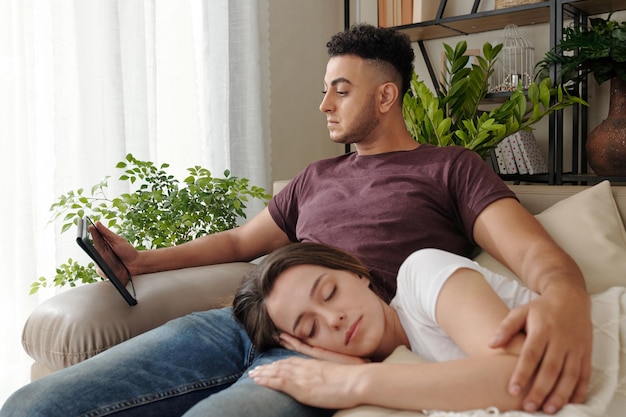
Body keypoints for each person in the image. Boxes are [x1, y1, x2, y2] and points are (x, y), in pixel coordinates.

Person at [1, 23, 591, 417]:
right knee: (31, 406)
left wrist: (566, 299)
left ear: (386, 97)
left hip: (323, 346)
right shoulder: (316, 176)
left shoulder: (449, 168)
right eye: (324, 90)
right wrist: (141, 261)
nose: (324, 104)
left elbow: (534, 255)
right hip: (231, 323)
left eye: (340, 90)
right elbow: (240, 241)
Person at [232, 242, 539, 412]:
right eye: (311, 330)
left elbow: (523, 378)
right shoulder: (395, 365)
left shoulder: (422, 272)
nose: (333, 319)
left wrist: (353, 380)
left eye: (330, 293)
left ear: (356, 272)